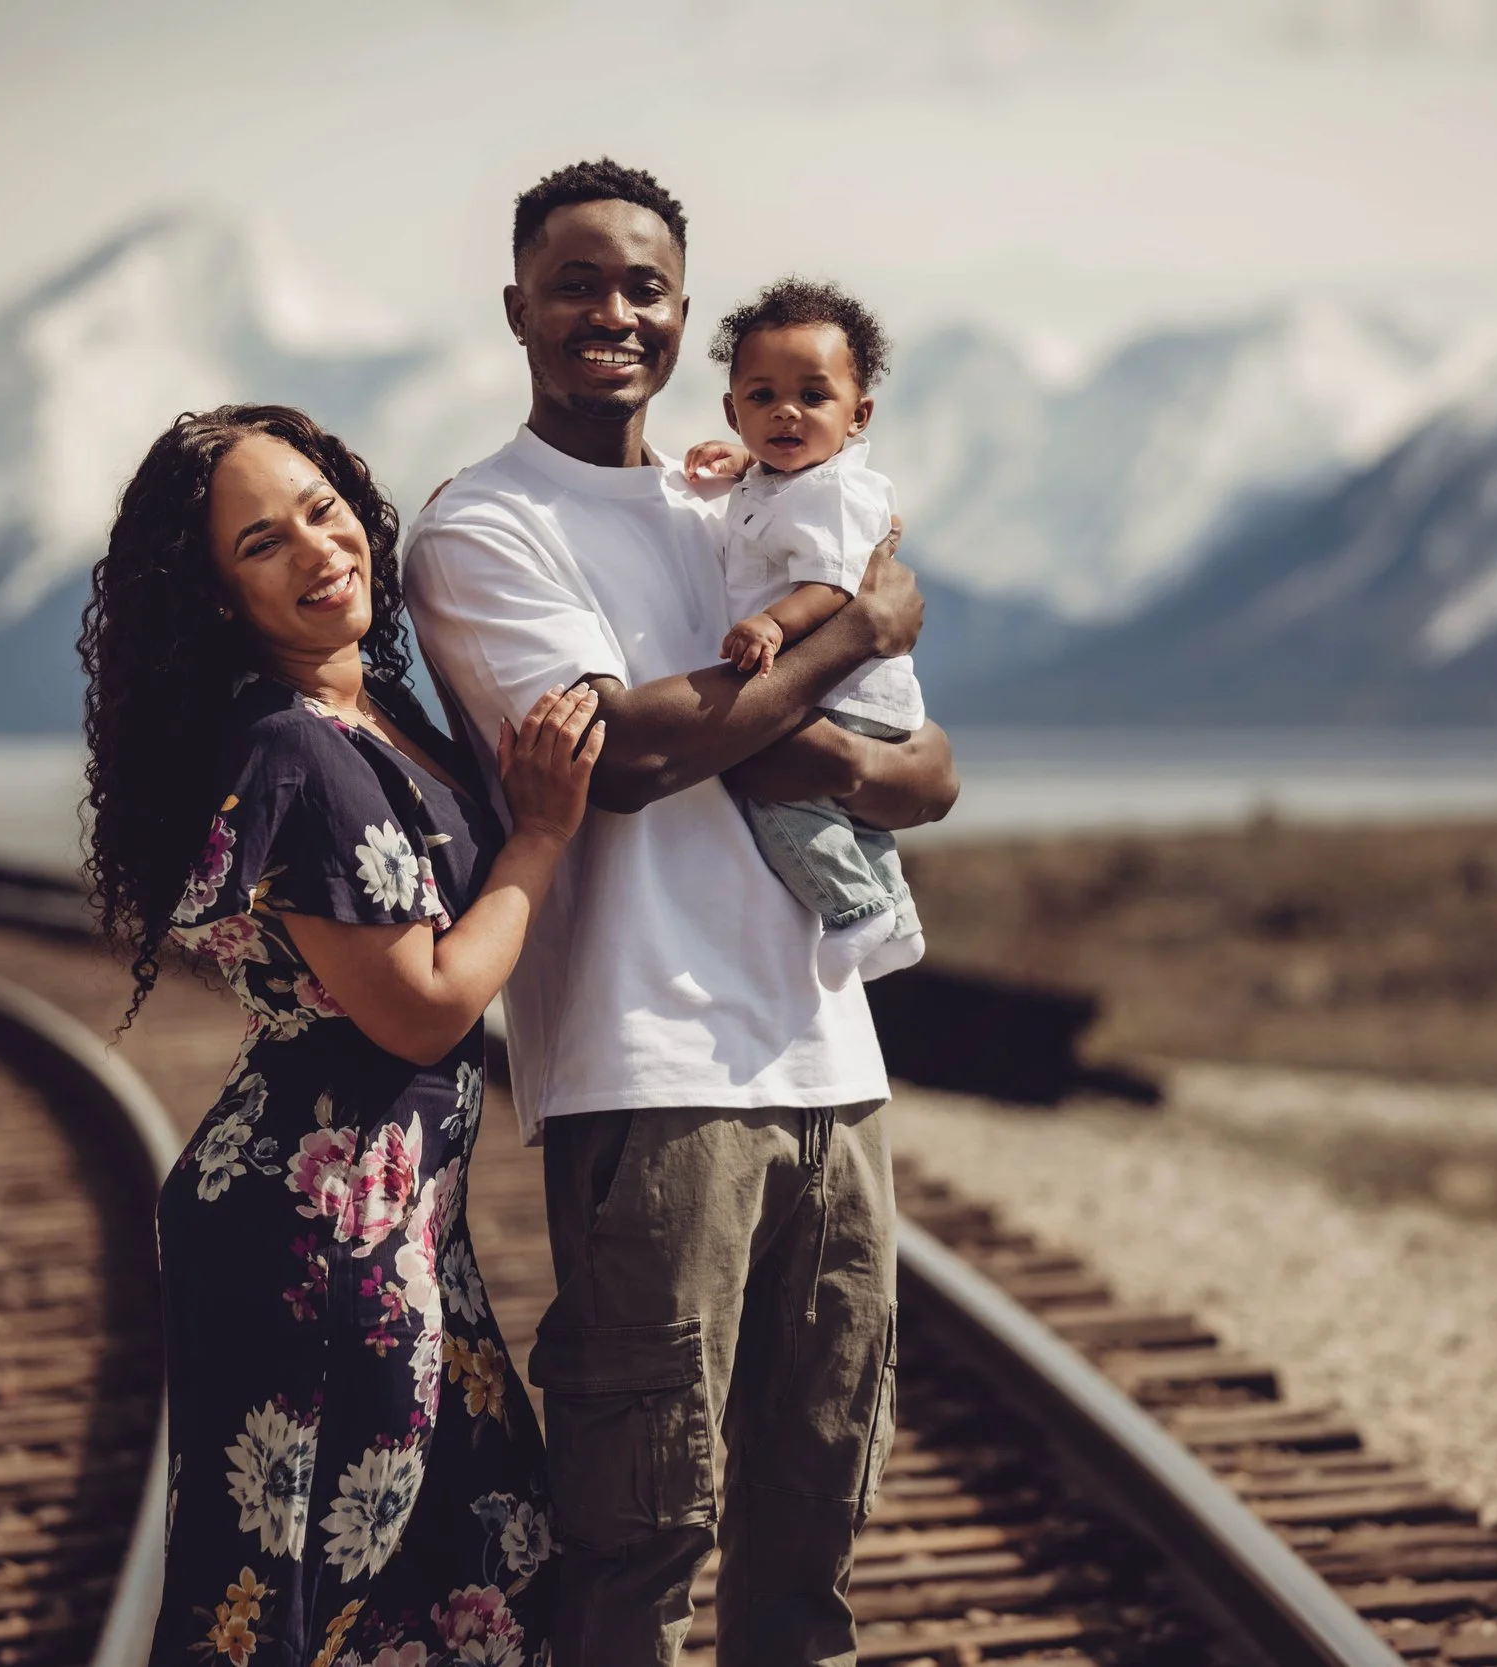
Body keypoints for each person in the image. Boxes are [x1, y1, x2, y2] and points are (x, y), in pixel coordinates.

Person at [403, 160, 960, 1667]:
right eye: (576, 281)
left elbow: (929, 775)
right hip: (650, 1076)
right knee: (641, 1529)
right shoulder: (480, 529)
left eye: (643, 285)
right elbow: (631, 758)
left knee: (816, 1517)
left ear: (685, 314)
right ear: (515, 306)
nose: (611, 311)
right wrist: (859, 627)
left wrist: (811, 695)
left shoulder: (750, 488)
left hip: (831, 1065)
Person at [80, 404, 601, 1667]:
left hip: (399, 1222)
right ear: (214, 596)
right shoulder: (290, 749)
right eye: (262, 541)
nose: (320, 551)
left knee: (486, 1565)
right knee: (304, 1605)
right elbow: (423, 1003)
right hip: (314, 1245)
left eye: (322, 510)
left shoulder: (380, 716)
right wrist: (538, 835)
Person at [684, 277, 926, 990]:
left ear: (858, 415)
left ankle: (853, 907)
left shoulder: (837, 492)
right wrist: (744, 464)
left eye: (813, 398)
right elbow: (772, 495)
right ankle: (900, 923)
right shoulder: (792, 477)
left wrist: (769, 622)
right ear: (734, 411)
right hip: (861, 691)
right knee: (853, 819)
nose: (786, 412)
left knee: (777, 792)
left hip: (840, 684)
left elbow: (830, 585)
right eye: (762, 399)